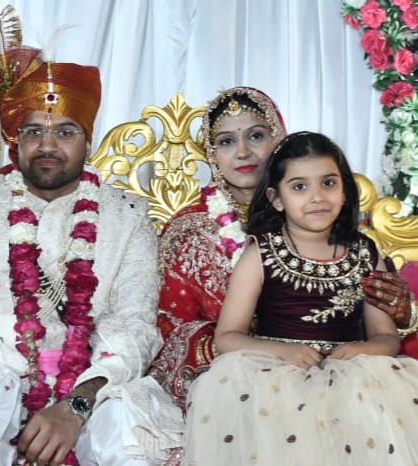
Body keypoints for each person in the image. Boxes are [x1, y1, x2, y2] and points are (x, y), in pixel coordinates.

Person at [0, 42, 183, 466]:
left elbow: (133, 325)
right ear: (16, 141)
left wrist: (77, 405)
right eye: (33, 131)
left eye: (65, 132)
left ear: (88, 140)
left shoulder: (127, 217)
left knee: (126, 438)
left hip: (98, 389)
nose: (47, 145)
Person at [149, 86, 414, 414]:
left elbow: (377, 325)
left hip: (347, 374)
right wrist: (271, 351)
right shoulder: (190, 232)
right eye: (226, 141)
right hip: (242, 380)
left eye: (256, 136)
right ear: (210, 153)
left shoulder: (337, 230)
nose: (243, 152)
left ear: (277, 137)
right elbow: (175, 327)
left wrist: (401, 313)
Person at [183, 131, 418, 465]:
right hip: (274, 378)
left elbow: (386, 337)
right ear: (276, 198)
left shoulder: (364, 253)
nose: (317, 197)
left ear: (344, 191)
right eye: (299, 187)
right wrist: (284, 352)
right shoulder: (260, 253)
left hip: (354, 376)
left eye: (328, 183)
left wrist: (361, 350)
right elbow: (227, 337)